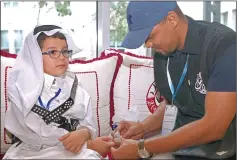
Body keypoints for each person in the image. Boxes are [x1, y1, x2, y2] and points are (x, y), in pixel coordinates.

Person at [111, 1, 236, 160]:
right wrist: (143, 127)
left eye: (149, 36)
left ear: (172, 19)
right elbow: (174, 101)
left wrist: (142, 148)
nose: (148, 44)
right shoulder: (162, 53)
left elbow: (215, 127)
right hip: (182, 148)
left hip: (224, 151)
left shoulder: (224, 45)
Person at [3, 25, 115, 159]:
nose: (62, 57)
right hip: (29, 152)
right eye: (53, 52)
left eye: (65, 51)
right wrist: (85, 145)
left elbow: (89, 123)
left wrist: (84, 133)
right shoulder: (21, 90)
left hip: (74, 150)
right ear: (35, 56)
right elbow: (28, 132)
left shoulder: (76, 88)